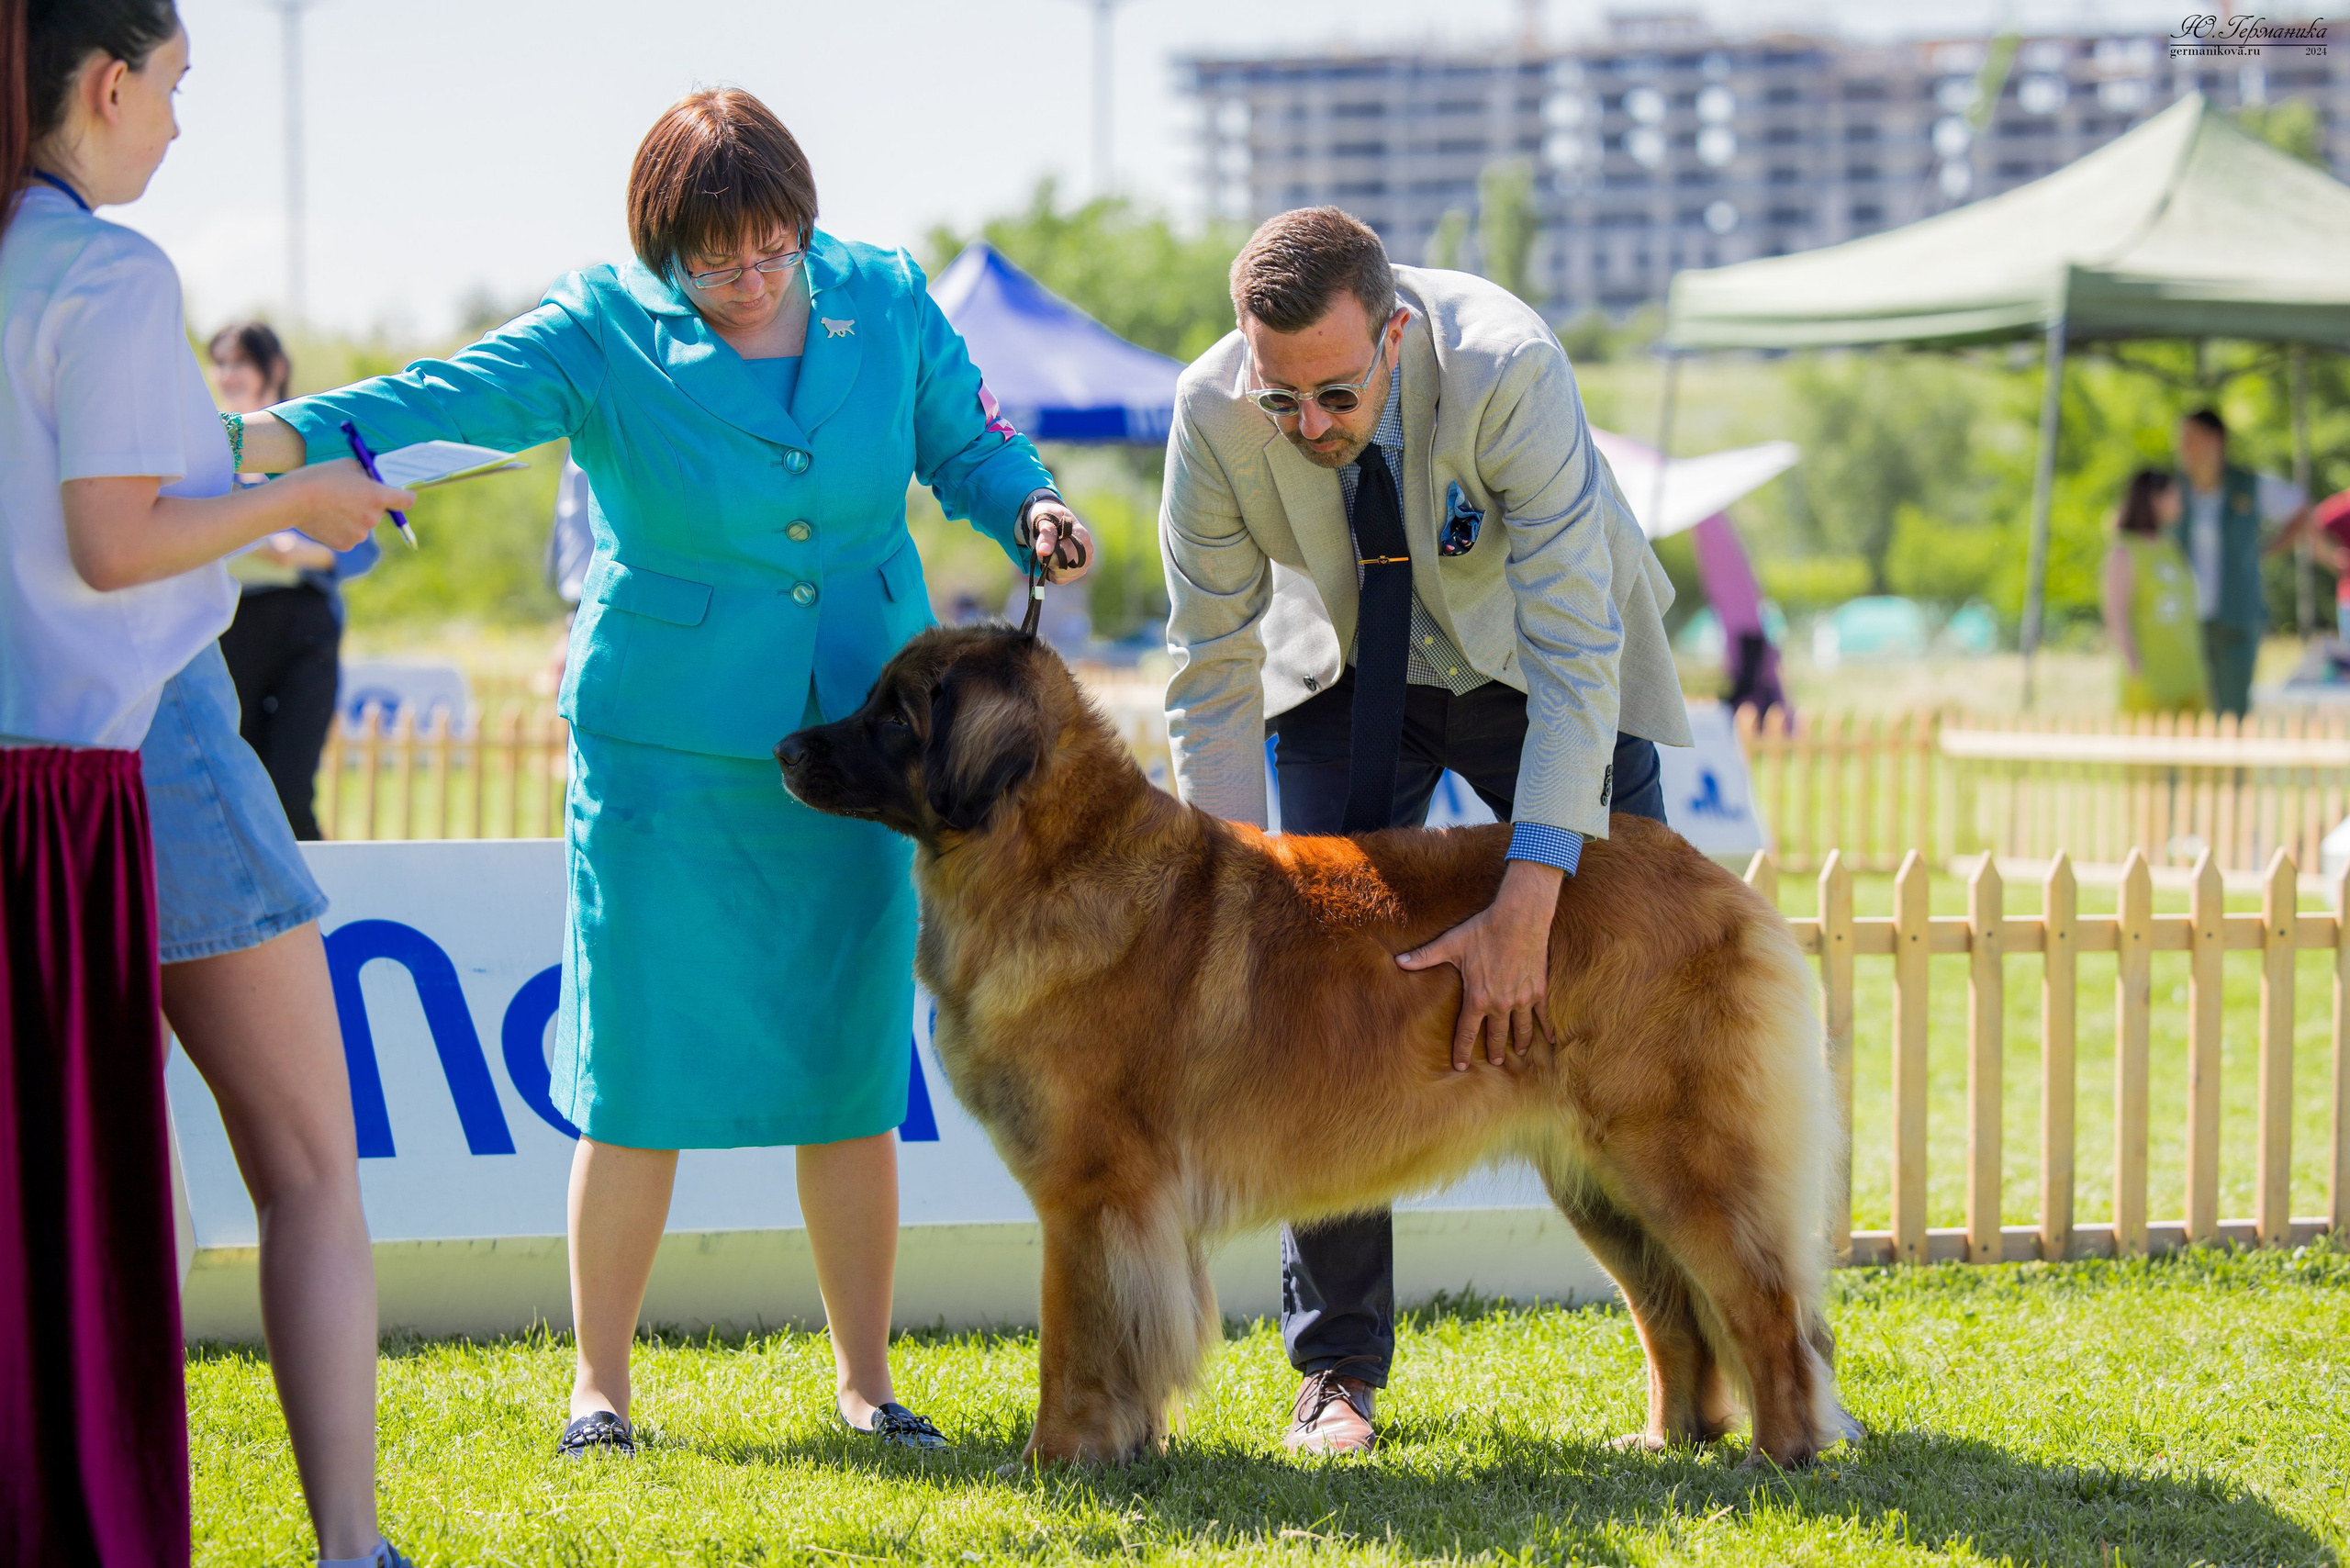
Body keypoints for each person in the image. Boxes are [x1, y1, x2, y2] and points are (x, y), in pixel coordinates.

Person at [233, 87, 1093, 1458]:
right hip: (664, 756)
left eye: (773, 250)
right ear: (658, 247)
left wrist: (1031, 501)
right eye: (712, 260)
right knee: (634, 1071)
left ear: (807, 226)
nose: (749, 282)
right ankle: (601, 1390)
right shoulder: (596, 328)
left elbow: (970, 445)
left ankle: (867, 1385)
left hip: (864, 756)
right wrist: (242, 447)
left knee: (851, 1068)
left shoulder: (882, 294)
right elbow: (432, 401)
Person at [1158, 207, 1690, 1455]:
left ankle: (1713, 1340)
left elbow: (1575, 654)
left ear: (1394, 335)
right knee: (1310, 1002)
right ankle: (1337, 1370)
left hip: (1540, 665)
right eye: (1279, 400)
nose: (1307, 427)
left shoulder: (1510, 364)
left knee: (1641, 992)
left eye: (1335, 395)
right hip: (1344, 670)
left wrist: (1531, 899)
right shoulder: (1211, 409)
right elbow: (1209, 668)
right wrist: (1231, 903)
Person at [0, 6, 414, 1565]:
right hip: (133, 736)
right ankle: (351, 1544)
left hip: (40, 755)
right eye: (174, 89)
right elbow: (115, 542)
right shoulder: (107, 271)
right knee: (308, 1159)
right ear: (106, 84)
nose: (178, 125)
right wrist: (297, 495)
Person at [212, 319, 381, 838]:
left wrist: (300, 553)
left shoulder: (310, 444)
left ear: (274, 369)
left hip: (305, 624)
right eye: (220, 363)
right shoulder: (208, 451)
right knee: (237, 786)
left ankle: (316, 912)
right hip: (231, 625)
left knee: (288, 788)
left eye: (239, 362)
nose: (227, 375)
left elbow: (363, 551)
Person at [2175, 407, 2307, 716]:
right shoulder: (2173, 488)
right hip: (2184, 617)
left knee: (2232, 708)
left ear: (2216, 440)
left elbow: (2301, 510)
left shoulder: (2249, 484)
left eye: (2191, 438)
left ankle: (2232, 766)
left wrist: (2268, 549)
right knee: (2187, 708)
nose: (2184, 448)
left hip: (2237, 614)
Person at [2101, 468, 2209, 715]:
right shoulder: (2124, 552)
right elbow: (2116, 614)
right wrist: (2134, 668)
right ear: (2154, 498)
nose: (2181, 502)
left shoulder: (2171, 546)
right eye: (2175, 495)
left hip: (2189, 676)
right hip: (2151, 679)